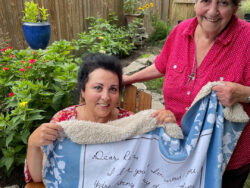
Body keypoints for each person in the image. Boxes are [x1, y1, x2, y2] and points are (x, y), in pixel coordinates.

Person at [123, 0, 250, 187]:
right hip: (177, 146)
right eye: (206, 1)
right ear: (195, 3)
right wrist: (129, 79)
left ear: (235, 7)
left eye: (223, 3)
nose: (212, 11)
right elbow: (161, 65)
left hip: (225, 158)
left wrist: (243, 93)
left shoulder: (246, 39)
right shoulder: (181, 31)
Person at [24, 53, 175, 183]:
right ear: (83, 91)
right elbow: (39, 176)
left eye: (113, 89)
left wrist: (165, 125)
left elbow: (155, 166)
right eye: (98, 87)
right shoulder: (64, 121)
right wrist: (33, 143)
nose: (106, 97)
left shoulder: (131, 123)